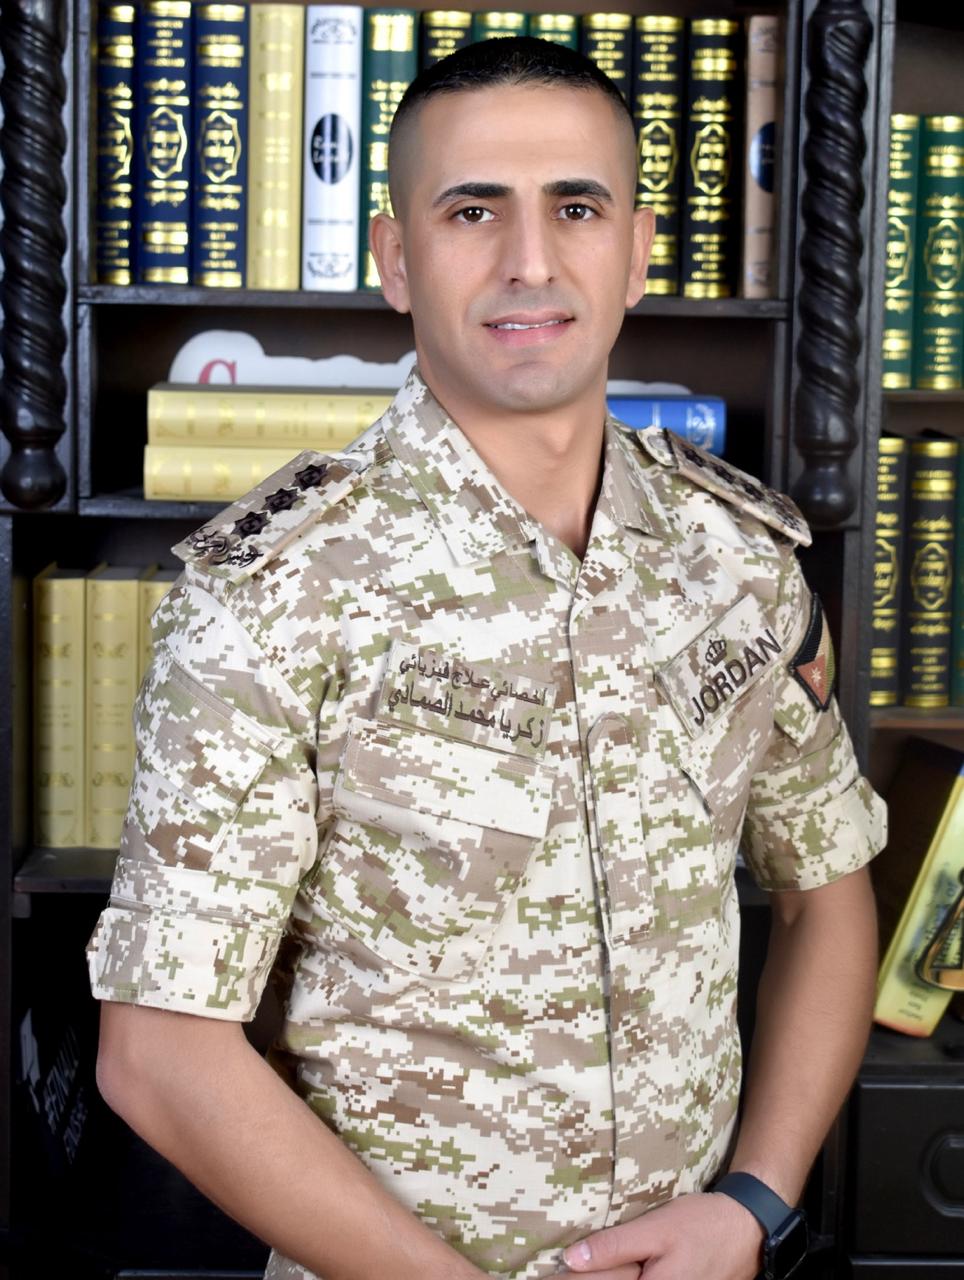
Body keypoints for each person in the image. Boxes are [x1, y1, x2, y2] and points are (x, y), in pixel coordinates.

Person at [87, 36, 887, 1280]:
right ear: (396, 259)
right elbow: (156, 1050)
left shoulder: (738, 558)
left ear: (638, 249)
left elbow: (827, 887)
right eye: (472, 211)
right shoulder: (276, 591)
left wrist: (753, 1202)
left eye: (576, 206)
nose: (530, 260)